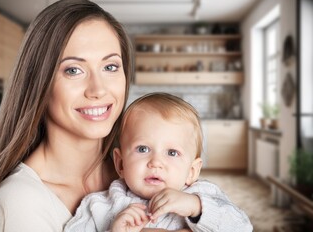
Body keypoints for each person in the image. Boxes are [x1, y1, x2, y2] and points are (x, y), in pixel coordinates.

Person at [0, 0, 133, 232]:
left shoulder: (140, 169)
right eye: (73, 70)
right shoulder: (21, 201)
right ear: (39, 83)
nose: (98, 90)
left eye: (110, 67)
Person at [64, 92, 253, 232]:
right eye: (143, 149)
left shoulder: (202, 196)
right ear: (120, 163)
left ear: (192, 172)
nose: (156, 162)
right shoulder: (101, 205)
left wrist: (196, 207)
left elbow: (243, 227)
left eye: (172, 152)